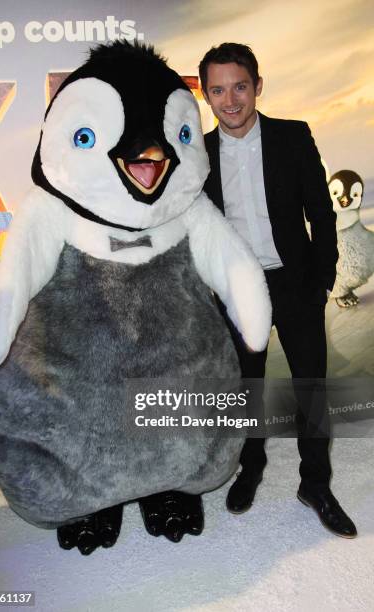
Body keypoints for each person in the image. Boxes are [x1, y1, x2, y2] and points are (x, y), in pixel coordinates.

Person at [199, 42, 357, 538]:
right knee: (248, 387)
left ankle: (316, 483)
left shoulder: (293, 136)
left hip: (294, 283)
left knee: (311, 388)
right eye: (218, 90)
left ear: (257, 86)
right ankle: (252, 466)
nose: (231, 100)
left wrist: (324, 278)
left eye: (239, 86)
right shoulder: (198, 153)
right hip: (237, 289)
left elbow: (321, 212)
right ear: (206, 95)